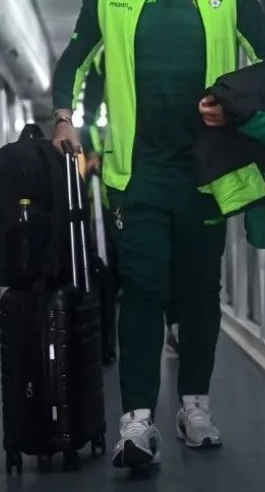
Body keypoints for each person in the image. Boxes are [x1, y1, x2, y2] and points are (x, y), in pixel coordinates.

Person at [50, 0, 265, 472]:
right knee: (145, 291)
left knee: (201, 292)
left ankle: (194, 406)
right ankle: (137, 418)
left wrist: (232, 103)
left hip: (207, 170)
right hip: (139, 174)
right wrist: (63, 119)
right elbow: (74, 60)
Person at [77, 62, 182, 359]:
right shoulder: (103, 61)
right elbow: (87, 116)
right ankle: (119, 334)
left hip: (159, 172)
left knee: (169, 249)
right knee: (125, 255)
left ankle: (174, 326)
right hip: (119, 182)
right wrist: (94, 152)